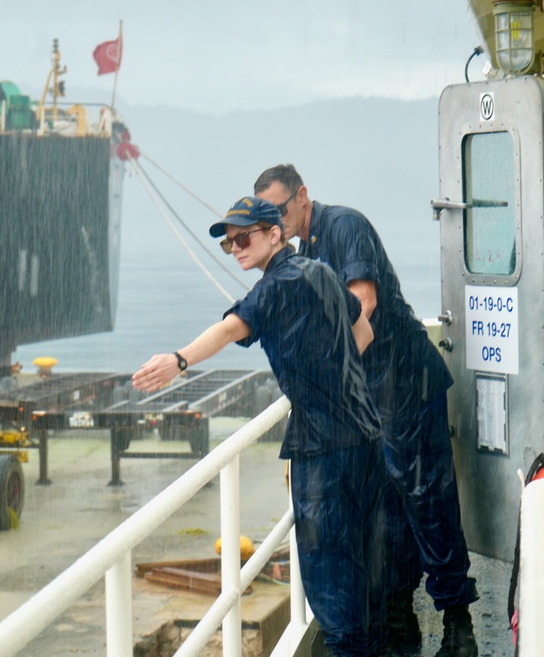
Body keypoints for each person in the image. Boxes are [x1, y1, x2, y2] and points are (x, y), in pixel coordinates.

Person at [132, 196, 386, 656]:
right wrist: (335, 372)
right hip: (365, 435)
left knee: (328, 577)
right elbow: (363, 333)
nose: (236, 248)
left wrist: (179, 359)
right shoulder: (323, 272)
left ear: (275, 234)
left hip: (322, 446)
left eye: (243, 237)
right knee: (359, 565)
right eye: (230, 244)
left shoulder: (275, 286)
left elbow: (230, 329)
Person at [254, 165, 479, 657]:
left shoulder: (344, 227)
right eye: (270, 215)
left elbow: (364, 301)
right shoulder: (304, 251)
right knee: (385, 507)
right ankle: (400, 615)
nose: (279, 220)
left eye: (283, 209)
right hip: (367, 397)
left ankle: (459, 624)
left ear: (303, 196)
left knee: (426, 497)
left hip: (405, 380)